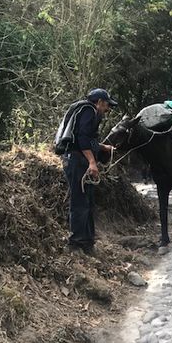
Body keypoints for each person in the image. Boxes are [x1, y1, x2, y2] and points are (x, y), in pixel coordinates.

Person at [61, 88, 117, 254]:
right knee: (79, 202)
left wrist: (102, 147)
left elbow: (86, 139)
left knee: (88, 202)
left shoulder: (87, 111)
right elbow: (82, 139)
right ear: (99, 102)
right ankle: (75, 244)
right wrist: (92, 162)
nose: (107, 109)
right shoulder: (89, 111)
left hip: (79, 160)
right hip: (78, 162)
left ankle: (87, 242)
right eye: (107, 105)